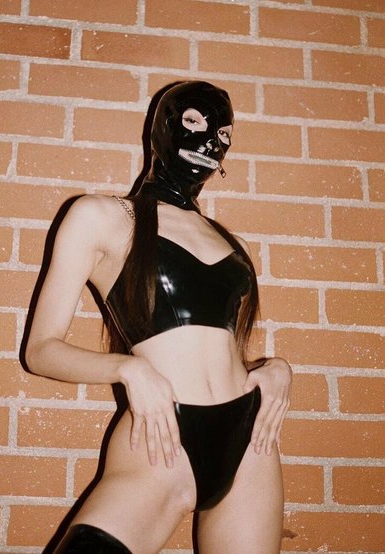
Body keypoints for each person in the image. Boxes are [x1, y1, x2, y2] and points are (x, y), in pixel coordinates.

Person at [25, 81, 292, 553]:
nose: (209, 142)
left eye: (223, 135)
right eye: (193, 122)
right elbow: (40, 351)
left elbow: (214, 351)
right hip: (157, 442)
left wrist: (273, 368)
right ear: (162, 128)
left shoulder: (230, 243)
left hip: (250, 441)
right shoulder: (102, 217)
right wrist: (127, 369)